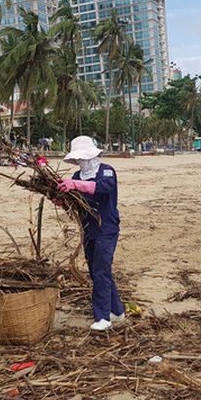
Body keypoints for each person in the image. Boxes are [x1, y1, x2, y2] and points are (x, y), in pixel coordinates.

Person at [56, 136, 125, 332]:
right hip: (89, 229)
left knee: (101, 271)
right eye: (79, 160)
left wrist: (75, 185)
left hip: (107, 229)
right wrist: (61, 198)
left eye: (84, 158)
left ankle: (103, 317)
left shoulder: (107, 171)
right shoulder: (78, 176)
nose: (82, 162)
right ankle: (117, 312)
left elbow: (104, 187)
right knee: (98, 272)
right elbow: (74, 202)